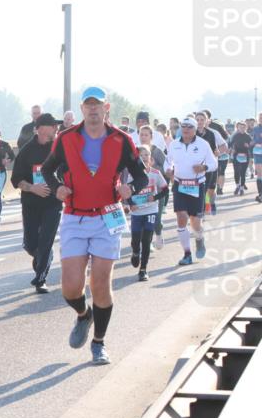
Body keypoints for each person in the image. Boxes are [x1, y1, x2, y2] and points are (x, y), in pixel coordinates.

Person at [40, 86, 148, 365]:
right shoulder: (66, 138)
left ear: (106, 108)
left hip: (107, 216)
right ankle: (83, 315)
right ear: (82, 108)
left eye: (97, 105)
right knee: (71, 288)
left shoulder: (121, 140)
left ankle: (99, 342)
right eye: (88, 105)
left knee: (100, 283)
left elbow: (141, 176)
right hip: (74, 216)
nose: (92, 109)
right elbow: (46, 169)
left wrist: (131, 188)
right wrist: (57, 187)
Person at [11, 113, 61, 293]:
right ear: (40, 128)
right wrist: (33, 188)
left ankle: (41, 278)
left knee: (46, 240)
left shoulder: (58, 149)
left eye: (56, 126)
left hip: (53, 203)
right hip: (31, 203)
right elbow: (16, 179)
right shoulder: (26, 151)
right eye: (52, 125)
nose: (55, 129)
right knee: (31, 244)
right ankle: (42, 257)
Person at [167, 116, 217, 266]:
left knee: (195, 223)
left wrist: (203, 168)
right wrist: (168, 169)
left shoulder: (203, 144)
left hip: (197, 185)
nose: (186, 130)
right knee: (181, 218)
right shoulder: (174, 144)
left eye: (189, 127)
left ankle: (199, 238)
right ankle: (187, 254)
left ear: (195, 130)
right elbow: (167, 162)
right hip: (179, 184)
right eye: (184, 127)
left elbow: (213, 163)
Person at [126, 145, 170, 281]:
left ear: (151, 159)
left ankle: (143, 270)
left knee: (146, 240)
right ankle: (135, 252)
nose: (144, 158)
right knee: (135, 239)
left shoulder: (155, 174)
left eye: (147, 155)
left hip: (151, 209)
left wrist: (155, 198)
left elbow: (165, 190)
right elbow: (125, 191)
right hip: (137, 212)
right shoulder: (130, 175)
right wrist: (131, 204)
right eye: (141, 156)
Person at [194, 112, 221, 216]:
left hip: (208, 166)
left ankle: (206, 207)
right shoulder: (192, 133)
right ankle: (200, 211)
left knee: (207, 189)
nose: (200, 122)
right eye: (198, 120)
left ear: (206, 121)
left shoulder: (211, 134)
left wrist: (217, 152)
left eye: (202, 120)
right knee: (199, 189)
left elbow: (215, 149)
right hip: (196, 166)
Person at [229, 121, 252, 196]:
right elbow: (230, 144)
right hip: (236, 155)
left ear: (246, 128)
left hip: (245, 156)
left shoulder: (248, 136)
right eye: (240, 127)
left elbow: (251, 145)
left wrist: (248, 146)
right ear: (238, 128)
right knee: (236, 172)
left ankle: (242, 188)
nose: (242, 129)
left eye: (243, 127)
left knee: (243, 172)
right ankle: (237, 186)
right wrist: (232, 149)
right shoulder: (235, 136)